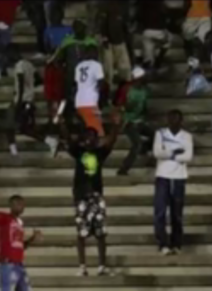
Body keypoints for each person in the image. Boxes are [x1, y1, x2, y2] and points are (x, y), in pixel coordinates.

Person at [61, 111, 122, 277]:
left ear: (96, 140)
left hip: (96, 195)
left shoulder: (99, 153)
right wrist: (61, 123)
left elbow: (111, 141)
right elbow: (67, 138)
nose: (89, 139)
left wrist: (116, 126)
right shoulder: (79, 152)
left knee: (101, 233)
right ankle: (82, 266)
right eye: (87, 136)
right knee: (82, 233)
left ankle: (102, 266)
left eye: (93, 136)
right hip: (81, 196)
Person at [153, 110, 193, 255]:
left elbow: (188, 156)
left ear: (181, 120)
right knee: (160, 212)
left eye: (176, 119)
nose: (173, 121)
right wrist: (176, 153)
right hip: (162, 175)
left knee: (177, 213)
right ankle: (162, 243)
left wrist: (168, 154)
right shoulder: (160, 133)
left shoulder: (187, 136)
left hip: (179, 176)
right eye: (171, 118)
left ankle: (176, 243)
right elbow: (157, 153)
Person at [117, 67, 154, 175]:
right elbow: (119, 105)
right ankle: (124, 168)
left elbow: (144, 106)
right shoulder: (127, 89)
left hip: (140, 121)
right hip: (129, 122)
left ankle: (145, 150)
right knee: (136, 143)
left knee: (156, 136)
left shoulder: (145, 90)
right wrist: (126, 107)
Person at [7, 44, 35, 156]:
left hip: (21, 99)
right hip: (30, 98)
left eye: (9, 55)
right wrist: (31, 87)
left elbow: (21, 82)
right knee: (25, 127)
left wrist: (18, 101)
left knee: (9, 124)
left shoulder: (19, 65)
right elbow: (38, 79)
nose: (9, 57)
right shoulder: (29, 64)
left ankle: (13, 148)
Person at [97, 0, 131, 89]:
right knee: (108, 69)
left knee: (125, 68)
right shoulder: (105, 5)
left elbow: (125, 25)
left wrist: (126, 38)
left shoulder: (124, 6)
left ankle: (126, 89)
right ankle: (107, 90)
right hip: (108, 42)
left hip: (120, 41)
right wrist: (104, 37)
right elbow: (101, 23)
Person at [74, 45, 106, 137]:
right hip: (90, 101)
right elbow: (101, 83)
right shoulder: (96, 65)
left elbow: (77, 84)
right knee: (97, 132)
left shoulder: (79, 66)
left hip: (79, 101)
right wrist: (102, 99)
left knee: (86, 129)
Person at [139, 0, 171, 70]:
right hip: (159, 31)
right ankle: (159, 60)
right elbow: (166, 17)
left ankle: (148, 65)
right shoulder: (161, 4)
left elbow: (140, 16)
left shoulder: (144, 4)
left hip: (146, 31)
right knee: (168, 42)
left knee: (148, 55)